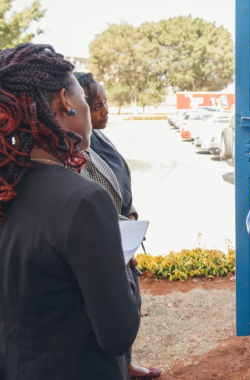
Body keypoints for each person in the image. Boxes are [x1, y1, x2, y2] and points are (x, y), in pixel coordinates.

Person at [0, 44, 141, 380]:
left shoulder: (9, 186)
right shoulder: (84, 200)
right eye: (82, 97)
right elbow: (118, 334)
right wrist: (122, 269)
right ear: (65, 101)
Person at [75, 72, 161, 380]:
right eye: (96, 105)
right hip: (108, 240)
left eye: (105, 102)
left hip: (122, 233)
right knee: (115, 307)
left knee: (130, 300)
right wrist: (121, 229)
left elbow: (118, 185)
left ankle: (126, 364)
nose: (104, 110)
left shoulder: (98, 138)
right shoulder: (76, 151)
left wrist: (131, 217)